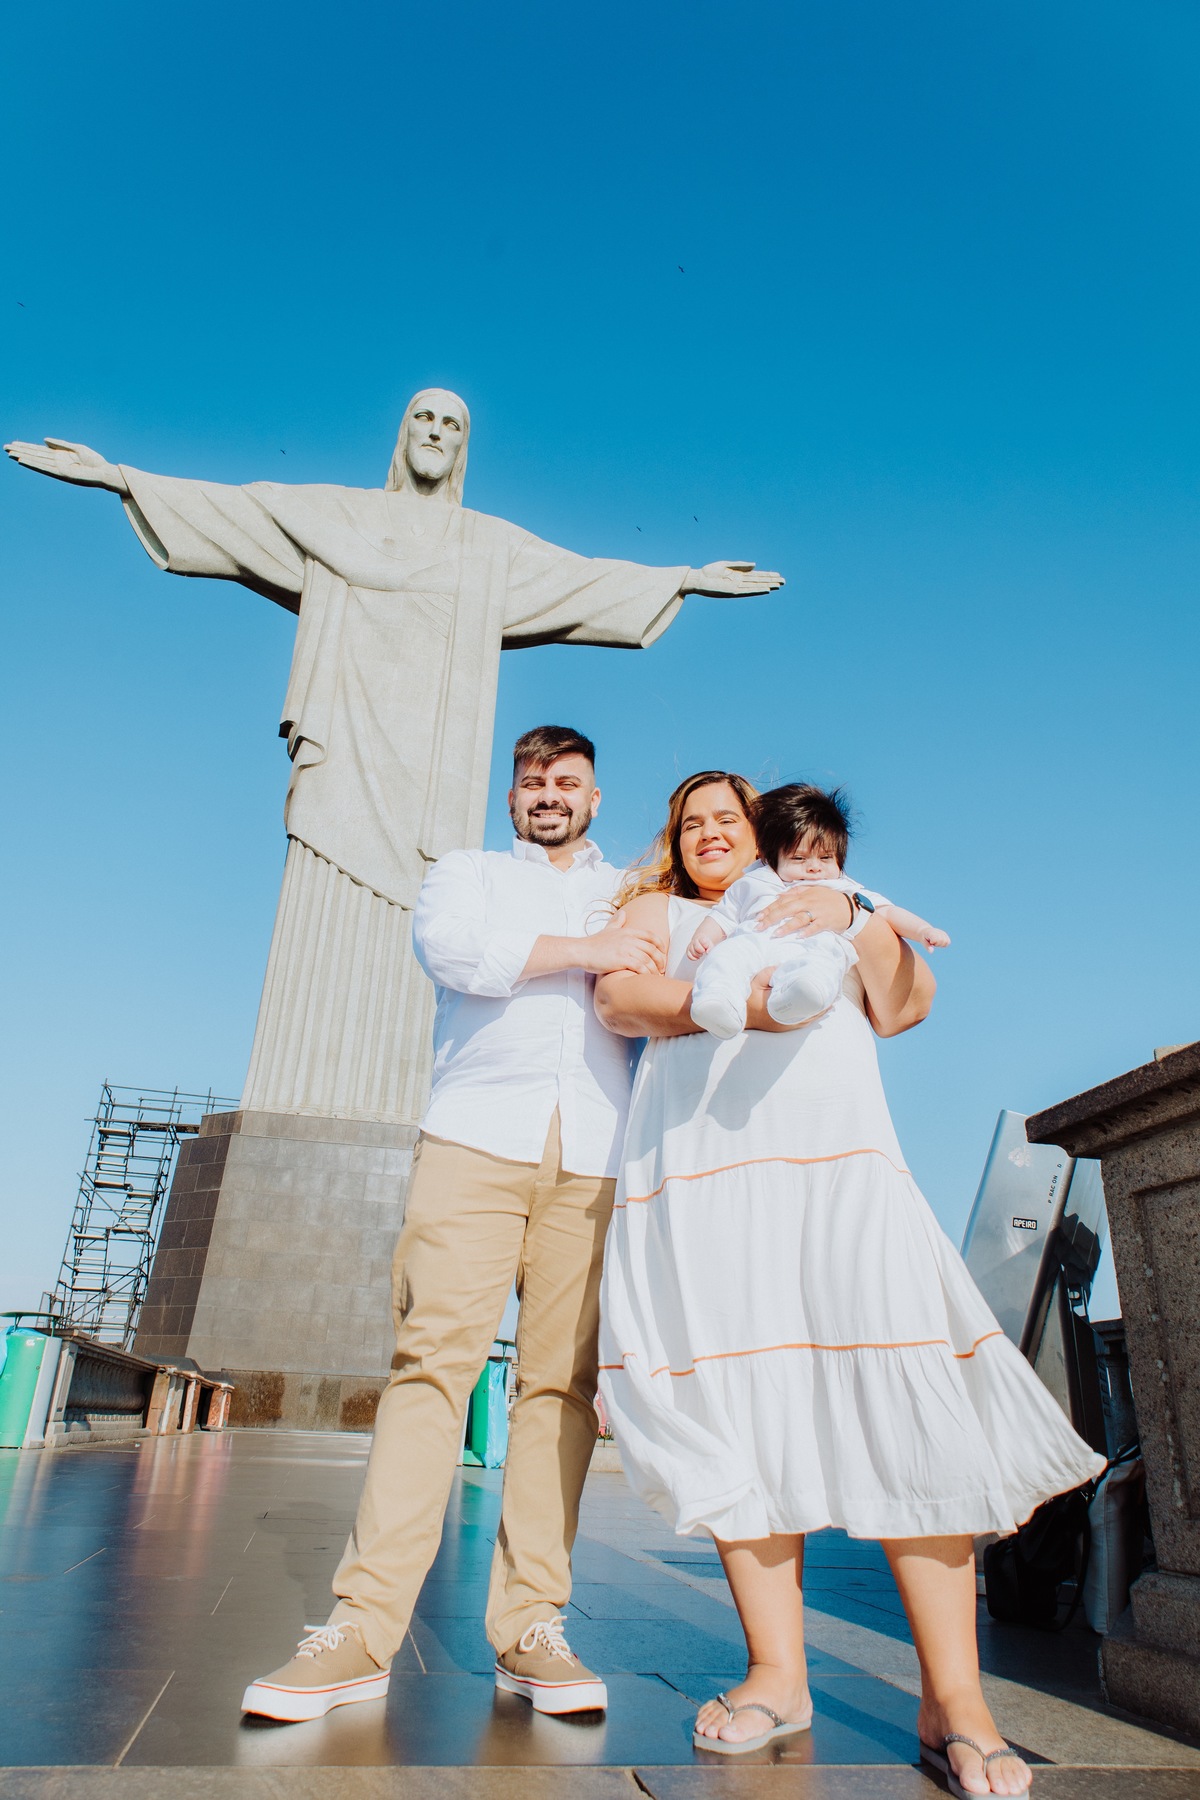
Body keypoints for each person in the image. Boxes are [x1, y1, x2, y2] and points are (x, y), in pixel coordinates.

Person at [594, 770, 1105, 1794]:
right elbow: (620, 997)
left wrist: (855, 907)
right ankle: (778, 1676)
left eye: (724, 818)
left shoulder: (829, 901)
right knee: (730, 1414)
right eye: (687, 822)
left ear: (762, 830)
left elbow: (904, 1006)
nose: (705, 834)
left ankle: (955, 1698)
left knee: (906, 1408)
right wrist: (743, 1004)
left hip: (839, 1182)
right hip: (701, 1188)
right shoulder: (662, 910)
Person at [242, 725, 665, 1723]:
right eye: (532, 780)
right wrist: (591, 953)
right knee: (432, 1367)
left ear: (596, 797)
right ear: (512, 795)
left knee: (560, 1387)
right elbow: (459, 954)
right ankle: (359, 1627)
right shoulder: (466, 874)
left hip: (596, 1152)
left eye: (567, 781)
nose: (549, 794)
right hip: (474, 1137)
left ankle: (533, 1629)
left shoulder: (635, 893)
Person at [687, 782, 948, 1038]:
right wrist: (705, 937)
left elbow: (889, 913)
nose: (813, 867)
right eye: (799, 858)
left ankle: (803, 996)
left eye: (825, 858)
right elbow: (723, 915)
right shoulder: (755, 881)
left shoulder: (843, 888)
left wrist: (923, 929)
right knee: (728, 955)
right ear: (771, 859)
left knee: (824, 962)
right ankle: (717, 1001)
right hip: (757, 940)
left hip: (815, 945)